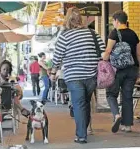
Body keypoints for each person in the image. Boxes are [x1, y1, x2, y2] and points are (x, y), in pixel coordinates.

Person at [50, 7, 105, 143]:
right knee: (85, 103)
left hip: (74, 76)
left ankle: (81, 135)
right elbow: (103, 51)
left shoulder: (64, 36)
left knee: (79, 104)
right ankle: (83, 130)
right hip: (91, 75)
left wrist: (52, 73)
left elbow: (57, 57)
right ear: (80, 19)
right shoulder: (92, 33)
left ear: (67, 20)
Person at [102, 10, 140, 133]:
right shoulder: (134, 34)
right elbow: (138, 53)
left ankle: (117, 115)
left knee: (111, 94)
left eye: (113, 21)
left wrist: (103, 58)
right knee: (127, 96)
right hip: (132, 69)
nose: (113, 23)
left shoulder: (114, 33)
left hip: (117, 70)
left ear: (117, 21)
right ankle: (127, 125)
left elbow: (108, 51)